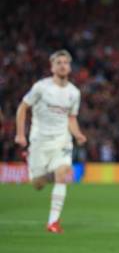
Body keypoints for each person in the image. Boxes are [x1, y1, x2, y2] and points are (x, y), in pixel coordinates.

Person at [14, 50, 86, 233]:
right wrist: (20, 135)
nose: (62, 65)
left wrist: (77, 134)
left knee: (62, 174)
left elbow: (72, 118)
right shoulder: (41, 87)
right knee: (39, 184)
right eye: (59, 62)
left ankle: (53, 222)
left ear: (69, 67)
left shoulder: (74, 93)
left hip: (62, 141)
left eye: (66, 63)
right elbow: (22, 108)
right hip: (40, 141)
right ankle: (30, 159)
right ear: (52, 67)